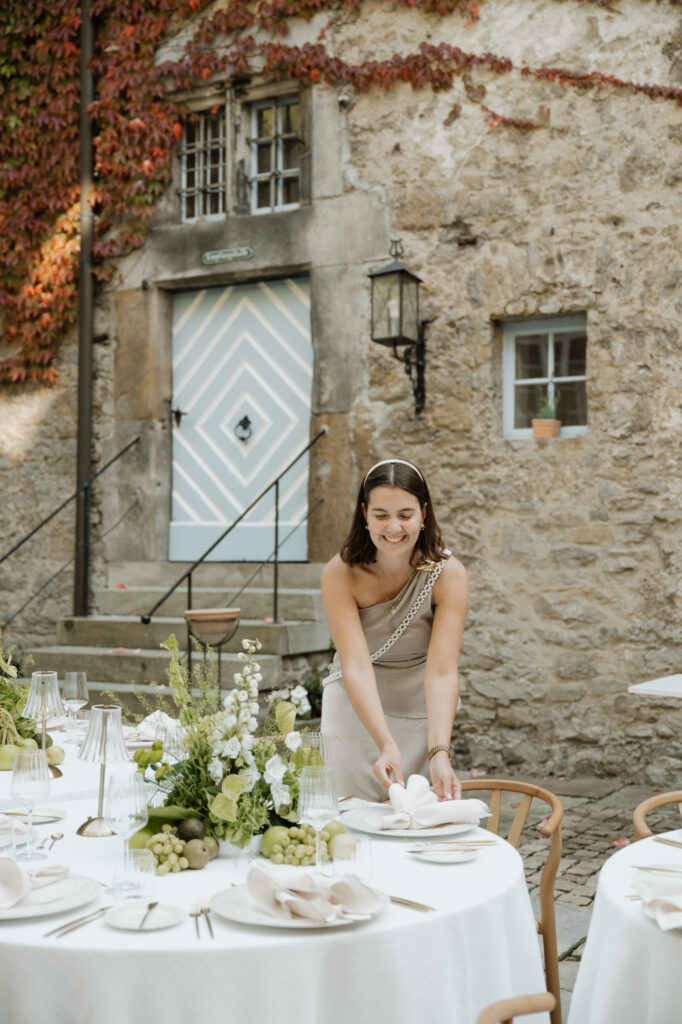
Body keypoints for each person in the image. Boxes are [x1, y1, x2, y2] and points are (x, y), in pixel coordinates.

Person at [320, 458, 468, 803]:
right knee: (350, 825)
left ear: (424, 514)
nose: (393, 527)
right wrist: (384, 743)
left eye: (405, 514)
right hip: (354, 712)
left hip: (422, 711)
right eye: (381, 515)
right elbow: (355, 664)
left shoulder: (449, 574)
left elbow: (443, 671)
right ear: (364, 514)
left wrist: (439, 752)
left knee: (417, 823)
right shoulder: (339, 573)